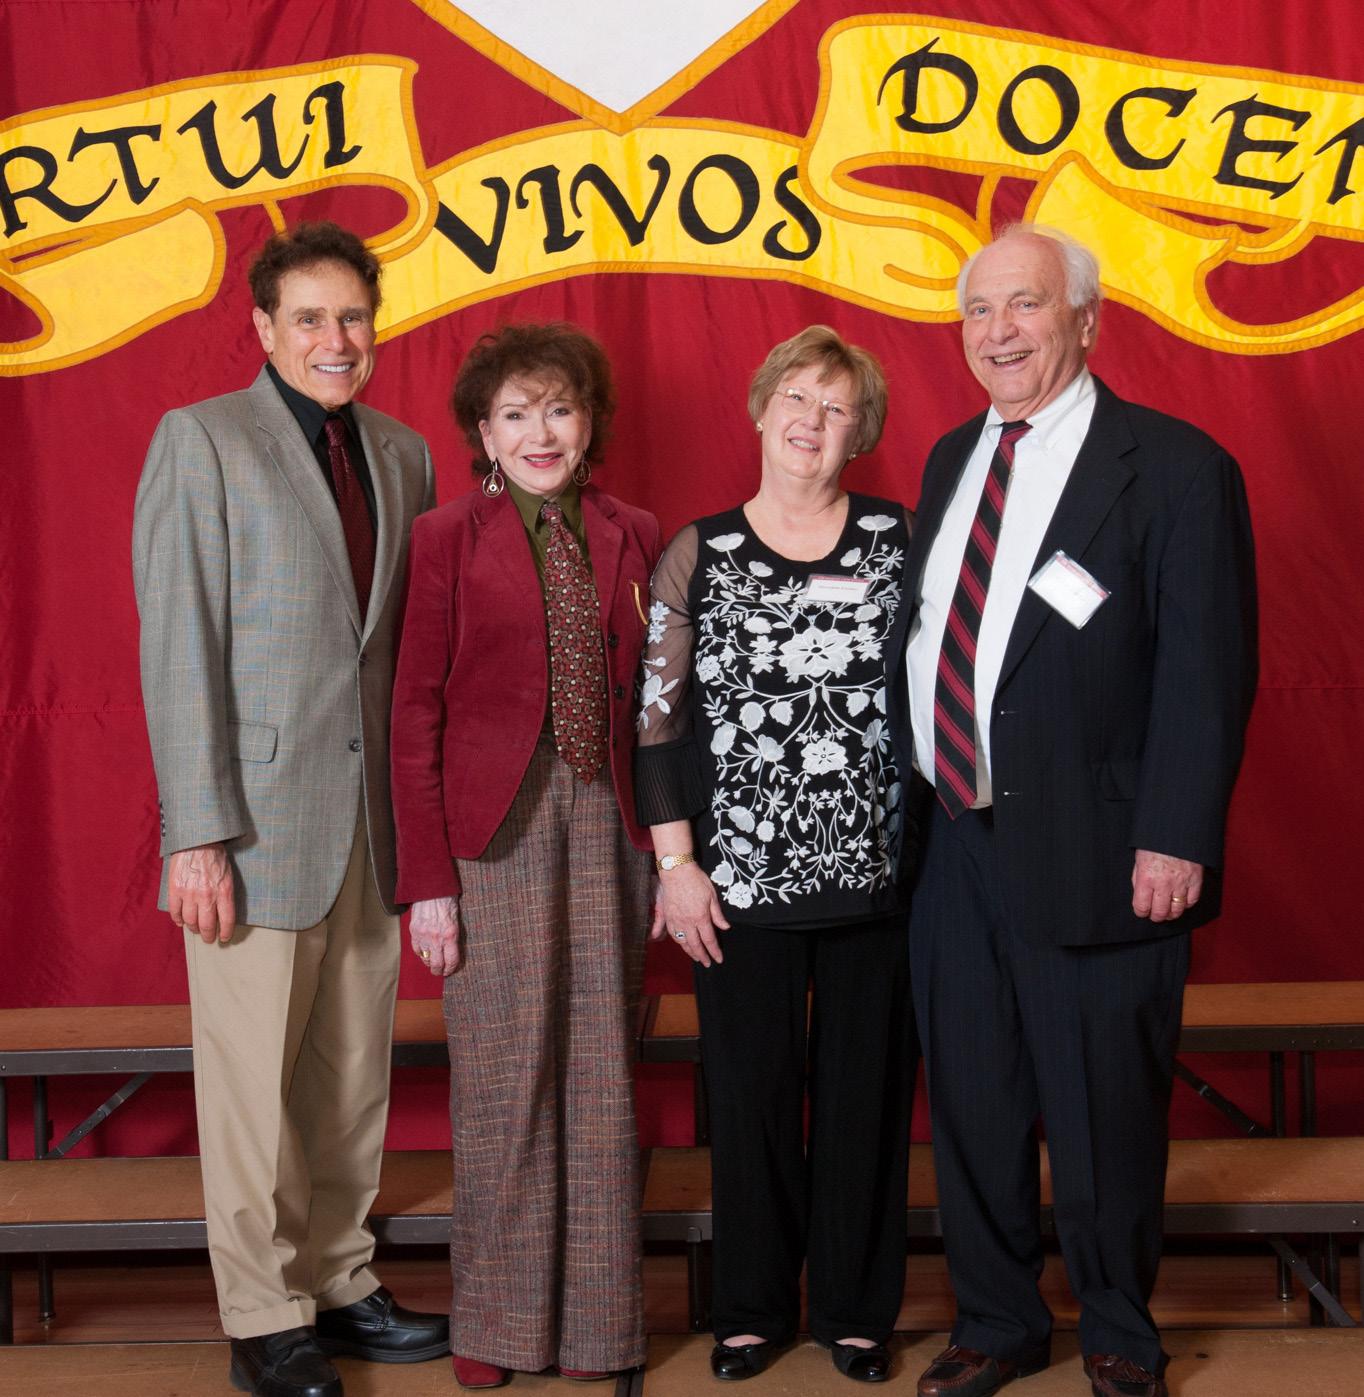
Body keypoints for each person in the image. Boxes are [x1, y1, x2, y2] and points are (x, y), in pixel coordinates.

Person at [890, 226, 1257, 1397]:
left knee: (1103, 1105)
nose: (996, 331)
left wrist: (1175, 832)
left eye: (1024, 304)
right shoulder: (950, 456)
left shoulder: (1175, 466)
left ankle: (1115, 1326)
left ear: (1084, 319)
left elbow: (1205, 671)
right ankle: (996, 1321)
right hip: (951, 840)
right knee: (974, 1100)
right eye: (976, 309)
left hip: (1103, 845)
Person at [132, 222, 447, 1397]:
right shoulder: (203, 439)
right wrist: (196, 832)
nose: (334, 338)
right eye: (309, 317)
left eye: (352, 316)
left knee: (351, 1074)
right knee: (253, 1088)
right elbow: (179, 645)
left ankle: (338, 1277)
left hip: (369, 822)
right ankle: (264, 1316)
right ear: (264, 328)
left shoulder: (404, 453)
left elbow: (398, 652)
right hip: (253, 825)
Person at [636, 325, 918, 1385]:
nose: (811, 419)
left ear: (860, 432)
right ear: (760, 409)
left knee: (865, 1099)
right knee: (750, 1096)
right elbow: (656, 722)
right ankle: (751, 1307)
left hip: (879, 878)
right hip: (735, 883)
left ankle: (854, 1308)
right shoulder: (697, 552)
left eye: (836, 407)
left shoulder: (902, 539)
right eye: (796, 397)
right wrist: (676, 865)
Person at [388, 322, 662, 1390]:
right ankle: (497, 1325)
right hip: (490, 831)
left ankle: (598, 1327)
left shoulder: (635, 530)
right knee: (505, 1076)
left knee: (601, 1076)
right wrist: (428, 884)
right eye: (514, 414)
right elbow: (413, 711)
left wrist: (670, 851)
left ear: (589, 422)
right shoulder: (444, 536)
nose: (539, 432)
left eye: (558, 408)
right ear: (483, 432)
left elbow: (664, 703)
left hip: (608, 818)